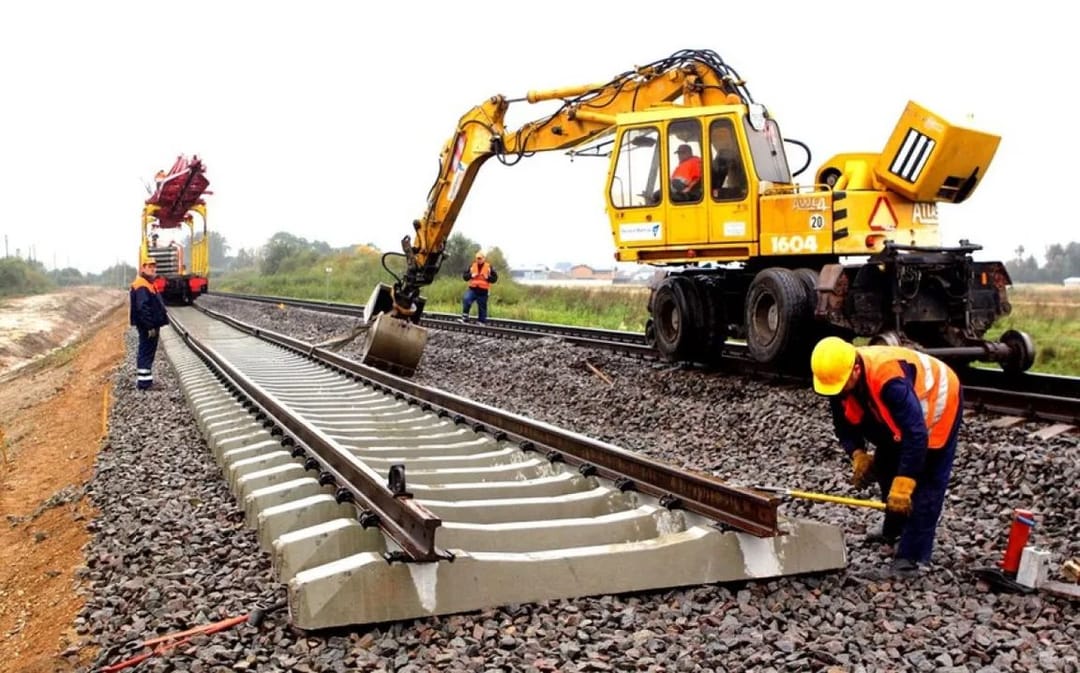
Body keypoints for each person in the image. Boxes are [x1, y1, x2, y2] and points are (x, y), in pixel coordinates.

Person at [810, 336, 963, 578]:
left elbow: (915, 435)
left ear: (856, 370)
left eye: (841, 388)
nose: (837, 394)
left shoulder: (889, 381)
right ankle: (893, 528)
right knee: (886, 464)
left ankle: (912, 557)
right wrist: (857, 454)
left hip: (938, 402)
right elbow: (843, 424)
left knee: (926, 482)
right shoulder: (839, 378)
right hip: (903, 414)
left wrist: (905, 483)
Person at [129, 258, 170, 390]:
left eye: (154, 266)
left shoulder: (148, 283)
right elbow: (142, 308)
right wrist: (150, 326)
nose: (152, 268)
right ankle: (144, 383)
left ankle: (146, 381)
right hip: (148, 326)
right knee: (146, 351)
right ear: (143, 268)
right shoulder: (142, 284)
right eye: (149, 266)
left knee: (148, 351)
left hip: (150, 325)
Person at [461, 251, 498, 323]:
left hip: (483, 291)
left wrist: (488, 277)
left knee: (482, 306)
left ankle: (481, 322)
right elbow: (465, 277)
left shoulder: (489, 267)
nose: (478, 260)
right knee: (466, 299)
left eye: (480, 258)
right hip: (473, 289)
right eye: (477, 258)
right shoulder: (472, 266)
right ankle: (465, 317)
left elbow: (495, 279)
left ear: (484, 258)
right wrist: (471, 275)